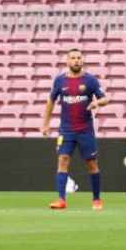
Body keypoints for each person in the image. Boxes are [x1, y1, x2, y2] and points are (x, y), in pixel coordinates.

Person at [40, 48, 109, 211]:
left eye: (79, 58)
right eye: (73, 58)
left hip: (85, 130)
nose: (76, 60)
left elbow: (105, 98)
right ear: (67, 61)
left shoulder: (90, 80)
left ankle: (97, 199)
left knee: (91, 164)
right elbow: (50, 102)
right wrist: (46, 123)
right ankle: (61, 199)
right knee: (62, 160)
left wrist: (96, 103)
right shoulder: (59, 81)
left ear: (82, 60)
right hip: (66, 130)